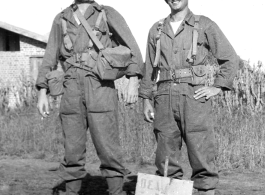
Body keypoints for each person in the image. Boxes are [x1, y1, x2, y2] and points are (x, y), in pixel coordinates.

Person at [36, 0, 143, 194]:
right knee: (72, 149)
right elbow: (50, 56)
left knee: (108, 147)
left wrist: (133, 79)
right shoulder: (61, 18)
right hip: (71, 87)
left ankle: (116, 192)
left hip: (100, 86)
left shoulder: (107, 13)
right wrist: (42, 91)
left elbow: (132, 47)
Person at [139, 0, 238, 194]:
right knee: (165, 157)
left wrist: (217, 86)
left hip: (194, 97)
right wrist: (145, 99)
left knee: (201, 153)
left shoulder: (204, 24)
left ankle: (206, 190)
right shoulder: (156, 29)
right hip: (164, 97)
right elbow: (149, 68)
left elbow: (229, 58)